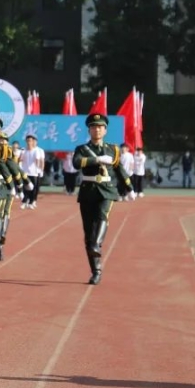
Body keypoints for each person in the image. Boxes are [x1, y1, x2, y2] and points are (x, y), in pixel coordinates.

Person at [72, 113, 135, 285]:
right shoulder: (82, 149)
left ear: (105, 130)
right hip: (88, 191)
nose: (97, 130)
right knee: (88, 233)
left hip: (107, 190)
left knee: (102, 215)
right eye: (93, 127)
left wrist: (129, 187)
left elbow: (120, 170)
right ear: (89, 130)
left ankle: (96, 244)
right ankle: (96, 271)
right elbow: (76, 163)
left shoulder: (113, 149)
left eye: (100, 127)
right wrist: (97, 159)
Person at [19, 134, 44, 209]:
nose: (29, 142)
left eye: (30, 141)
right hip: (25, 172)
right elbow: (20, 160)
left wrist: (39, 170)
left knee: (33, 189)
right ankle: (24, 202)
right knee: (25, 188)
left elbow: (38, 161)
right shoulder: (23, 150)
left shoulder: (36, 151)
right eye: (27, 141)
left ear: (33, 142)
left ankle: (32, 202)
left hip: (34, 173)